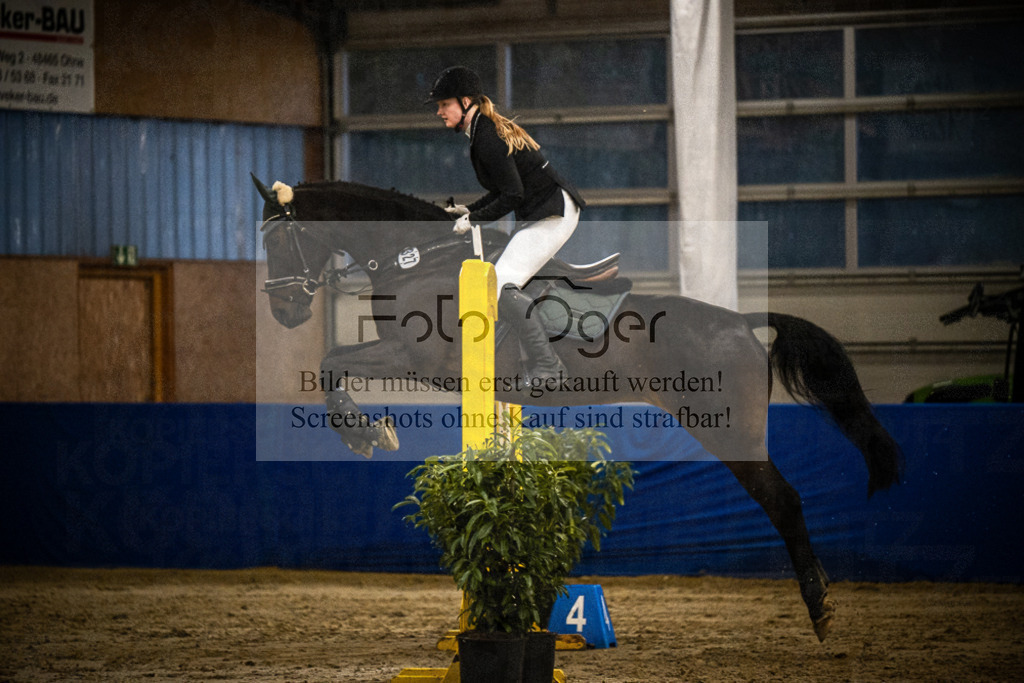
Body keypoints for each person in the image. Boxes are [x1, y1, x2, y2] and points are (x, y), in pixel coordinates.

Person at [427, 65, 586, 387]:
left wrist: (474, 220)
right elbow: (503, 190)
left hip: (552, 214)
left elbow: (513, 195)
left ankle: (549, 366)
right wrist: (468, 211)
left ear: (466, 101)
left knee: (498, 285)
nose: (440, 112)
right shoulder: (482, 130)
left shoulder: (486, 138)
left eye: (445, 104)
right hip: (542, 209)